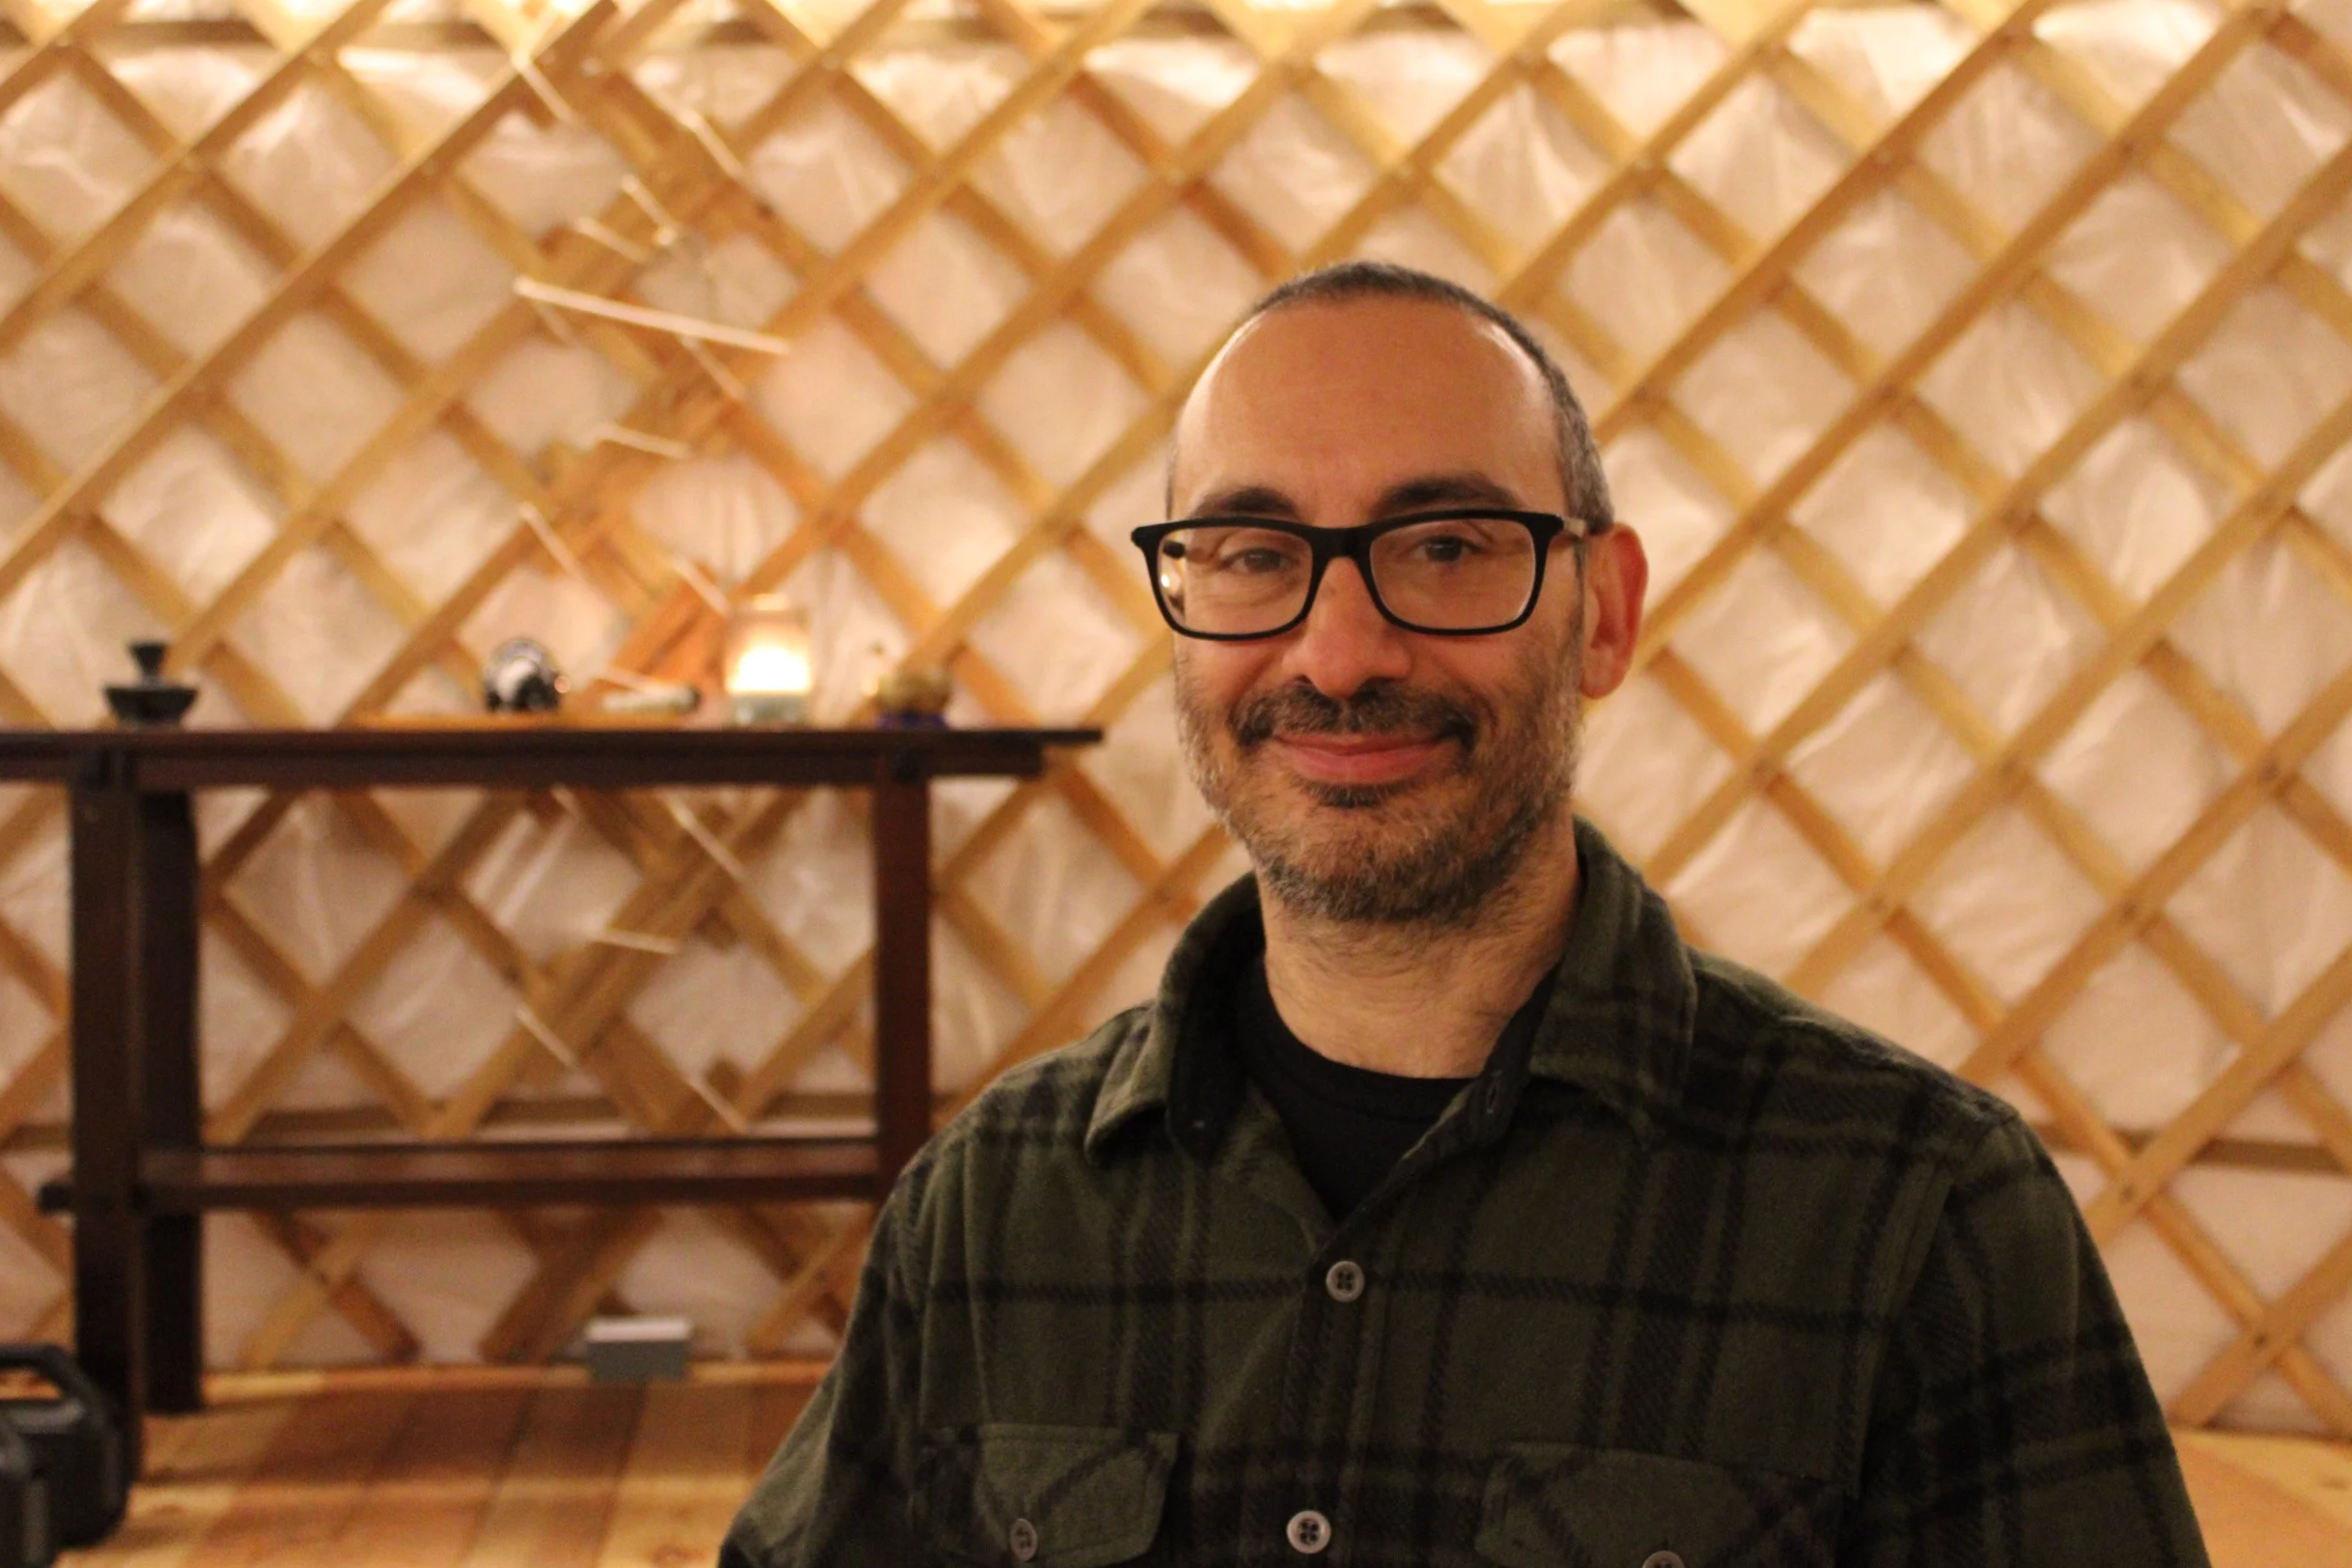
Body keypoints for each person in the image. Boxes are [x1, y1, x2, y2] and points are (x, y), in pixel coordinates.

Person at [721, 262, 2210, 1566]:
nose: (1339, 648)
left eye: (1444, 549)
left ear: (1604, 613)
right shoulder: (996, 1208)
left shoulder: (1912, 1214)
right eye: (1252, 556)